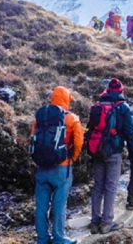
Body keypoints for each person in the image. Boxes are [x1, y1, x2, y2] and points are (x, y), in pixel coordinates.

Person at [30, 86, 83, 244]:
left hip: (41, 168)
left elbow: (32, 138)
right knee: (59, 205)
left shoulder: (40, 118)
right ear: (67, 99)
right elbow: (79, 143)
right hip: (62, 167)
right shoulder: (72, 118)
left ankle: (42, 238)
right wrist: (71, 159)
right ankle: (59, 238)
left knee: (40, 206)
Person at [86, 78, 133, 234]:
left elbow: (90, 128)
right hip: (113, 151)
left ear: (107, 90)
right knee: (111, 187)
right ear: (121, 91)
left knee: (98, 186)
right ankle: (107, 223)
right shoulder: (123, 108)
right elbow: (130, 132)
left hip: (97, 150)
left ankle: (95, 222)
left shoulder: (97, 106)